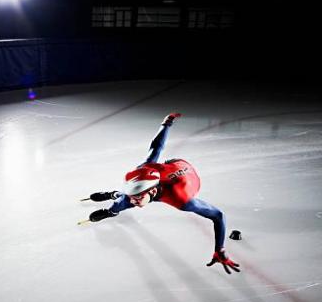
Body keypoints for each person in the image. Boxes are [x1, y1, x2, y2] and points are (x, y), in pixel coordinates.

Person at [82, 113, 241, 274]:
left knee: (127, 201)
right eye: (132, 196)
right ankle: (112, 204)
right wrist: (166, 123)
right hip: (165, 172)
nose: (133, 200)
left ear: (151, 191)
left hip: (187, 175)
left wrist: (219, 249)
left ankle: (113, 200)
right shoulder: (145, 168)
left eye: (137, 197)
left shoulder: (183, 200)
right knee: (123, 200)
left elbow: (218, 216)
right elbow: (156, 147)